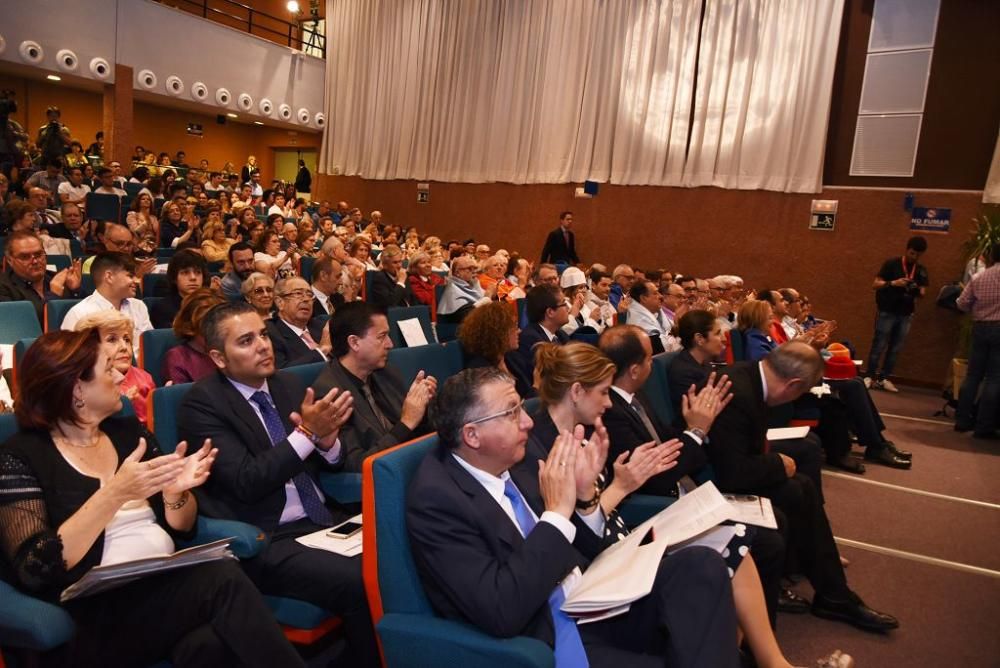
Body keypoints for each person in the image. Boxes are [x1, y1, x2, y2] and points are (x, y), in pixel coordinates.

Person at [0, 329, 304, 667]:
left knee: (208, 644)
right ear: (76, 390)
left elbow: (183, 528)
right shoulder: (20, 457)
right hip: (88, 617)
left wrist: (176, 493)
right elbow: (34, 568)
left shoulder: (128, 433)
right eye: (108, 369)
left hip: (160, 591)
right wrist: (114, 494)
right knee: (222, 578)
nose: (121, 375)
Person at [408, 367, 744, 668]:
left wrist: (584, 498)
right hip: (548, 632)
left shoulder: (520, 456)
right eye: (512, 413)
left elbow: (580, 547)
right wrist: (556, 513)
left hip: (589, 599)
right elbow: (502, 610)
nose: (527, 422)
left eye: (521, 408)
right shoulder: (437, 501)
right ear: (472, 436)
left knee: (701, 564)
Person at [175, 302, 380, 667]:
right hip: (267, 536)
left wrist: (329, 442)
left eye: (264, 335)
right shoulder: (202, 404)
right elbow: (247, 481)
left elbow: (325, 459)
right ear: (219, 358)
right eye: (246, 340)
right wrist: (306, 435)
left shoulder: (287, 383)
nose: (263, 346)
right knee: (361, 578)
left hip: (325, 520)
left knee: (396, 552)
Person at [707, 341, 899, 633]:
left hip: (729, 468)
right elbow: (732, 472)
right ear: (794, 384)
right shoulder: (740, 394)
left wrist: (774, 463)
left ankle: (833, 592)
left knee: (803, 486)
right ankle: (833, 592)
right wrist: (777, 464)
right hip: (709, 482)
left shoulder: (750, 376)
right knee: (796, 488)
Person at [310, 302, 436, 471]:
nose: (390, 344)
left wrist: (423, 408)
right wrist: (407, 422)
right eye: (382, 336)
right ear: (354, 342)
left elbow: (415, 430)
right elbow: (358, 464)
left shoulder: (385, 372)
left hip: (411, 464)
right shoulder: (329, 396)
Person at [865, 236, 929, 392]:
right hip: (887, 310)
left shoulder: (921, 270)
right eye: (913, 253)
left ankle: (884, 378)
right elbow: (875, 284)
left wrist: (915, 288)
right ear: (907, 249)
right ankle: (869, 376)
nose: (915, 257)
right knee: (879, 344)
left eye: (918, 255)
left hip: (906, 313)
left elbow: (923, 292)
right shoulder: (891, 264)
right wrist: (894, 283)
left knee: (895, 348)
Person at [72, 310, 155, 423]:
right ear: (90, 348)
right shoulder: (84, 383)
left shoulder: (144, 377)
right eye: (112, 340)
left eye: (127, 339)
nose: (124, 347)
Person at [955, 244, 1000, 438]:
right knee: (995, 378)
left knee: (973, 375)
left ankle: (962, 421)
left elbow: (961, 303)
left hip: (980, 327)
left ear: (991, 257)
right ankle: (983, 427)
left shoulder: (979, 277)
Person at [62, 252, 153, 346]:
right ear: (109, 277)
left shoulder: (139, 306)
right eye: (130, 276)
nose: (137, 281)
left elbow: (149, 348)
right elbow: (70, 357)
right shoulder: (80, 313)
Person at [0, 231, 82, 324]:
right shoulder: (3, 287)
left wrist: (76, 290)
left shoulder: (58, 279)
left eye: (39, 254)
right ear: (10, 261)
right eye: (25, 256)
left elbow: (86, 314)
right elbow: (22, 324)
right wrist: (53, 295)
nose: (35, 261)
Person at [458, 300, 533, 397]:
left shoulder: (512, 357)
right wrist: (537, 385)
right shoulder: (480, 371)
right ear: (498, 333)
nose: (519, 331)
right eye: (514, 326)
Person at [162, 288, 226, 385]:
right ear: (191, 324)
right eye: (207, 323)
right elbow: (183, 398)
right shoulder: (178, 357)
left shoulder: (229, 350)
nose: (215, 329)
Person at [267, 277, 329, 368]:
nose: (306, 299)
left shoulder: (321, 326)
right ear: (280, 302)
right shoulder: (270, 333)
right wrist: (322, 351)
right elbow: (282, 373)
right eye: (298, 293)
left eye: (309, 294)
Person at [515, 284, 570, 382]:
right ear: (550, 312)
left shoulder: (561, 335)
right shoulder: (530, 341)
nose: (568, 308)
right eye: (564, 303)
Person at [151, 250, 210, 329]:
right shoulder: (161, 309)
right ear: (174, 278)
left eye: (198, 272)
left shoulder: (212, 305)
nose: (193, 278)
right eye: (185, 273)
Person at [627, 280, 679, 354]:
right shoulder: (640, 321)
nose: (660, 296)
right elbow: (660, 351)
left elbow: (669, 330)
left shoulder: (655, 312)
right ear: (643, 298)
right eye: (655, 293)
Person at [437, 254, 490, 325]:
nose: (474, 271)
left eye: (475, 268)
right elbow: (465, 315)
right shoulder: (452, 288)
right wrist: (487, 298)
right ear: (458, 272)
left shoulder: (472, 283)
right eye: (470, 269)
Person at [369, 244, 412, 309]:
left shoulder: (403, 275)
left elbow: (410, 299)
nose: (399, 266)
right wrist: (400, 283)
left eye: (400, 261)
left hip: (408, 313)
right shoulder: (379, 278)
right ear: (385, 265)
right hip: (390, 315)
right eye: (395, 262)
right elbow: (390, 302)